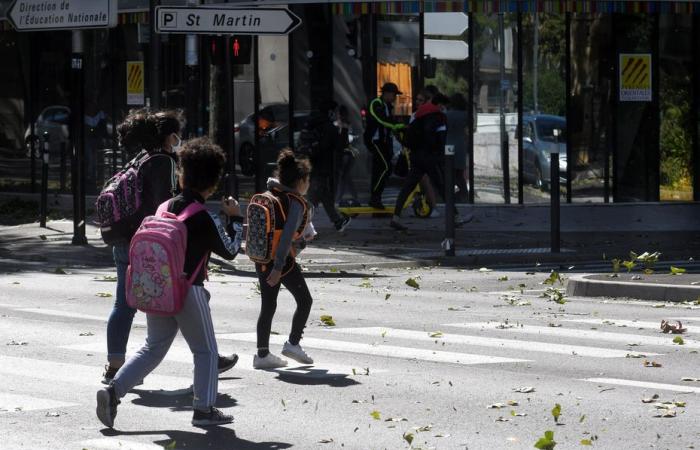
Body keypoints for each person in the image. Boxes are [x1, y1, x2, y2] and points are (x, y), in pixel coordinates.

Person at [96, 137, 244, 428]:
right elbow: (231, 250)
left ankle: (113, 391)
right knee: (206, 351)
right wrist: (235, 219)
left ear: (182, 173)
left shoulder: (164, 207)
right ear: (213, 183)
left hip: (157, 287)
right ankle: (204, 410)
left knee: (152, 347)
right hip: (190, 290)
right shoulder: (204, 217)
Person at [253, 149, 316, 369]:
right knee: (305, 300)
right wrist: (279, 266)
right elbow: (287, 235)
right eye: (307, 179)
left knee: (268, 305)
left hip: (262, 257)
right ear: (300, 181)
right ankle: (293, 343)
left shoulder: (272, 192)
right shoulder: (296, 202)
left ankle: (262, 355)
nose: (308, 184)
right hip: (280, 261)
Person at [390, 93, 451, 231]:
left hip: (416, 156)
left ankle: (396, 217)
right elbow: (441, 140)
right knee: (441, 186)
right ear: (440, 104)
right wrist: (440, 157)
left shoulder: (418, 115)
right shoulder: (440, 118)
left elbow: (409, 136)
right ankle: (456, 217)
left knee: (407, 188)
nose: (444, 109)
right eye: (444, 106)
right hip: (430, 157)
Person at [305, 100, 351, 232]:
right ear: (330, 112)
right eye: (335, 112)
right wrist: (344, 128)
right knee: (312, 200)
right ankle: (298, 226)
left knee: (323, 196)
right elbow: (341, 146)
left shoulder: (312, 123)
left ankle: (338, 221)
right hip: (322, 168)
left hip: (311, 165)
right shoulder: (329, 128)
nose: (337, 115)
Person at [364, 82, 406, 209]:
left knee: (382, 170)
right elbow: (381, 120)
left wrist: (400, 132)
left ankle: (376, 199)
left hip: (385, 142)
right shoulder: (376, 103)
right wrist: (399, 125)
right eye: (394, 95)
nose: (395, 97)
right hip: (374, 141)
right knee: (385, 167)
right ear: (387, 93)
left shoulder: (388, 106)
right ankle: (374, 197)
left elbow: (391, 124)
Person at [335, 105, 360, 207]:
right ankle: (351, 196)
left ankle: (340, 197)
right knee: (345, 176)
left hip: (343, 154)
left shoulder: (338, 125)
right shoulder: (348, 124)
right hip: (350, 154)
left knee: (343, 176)